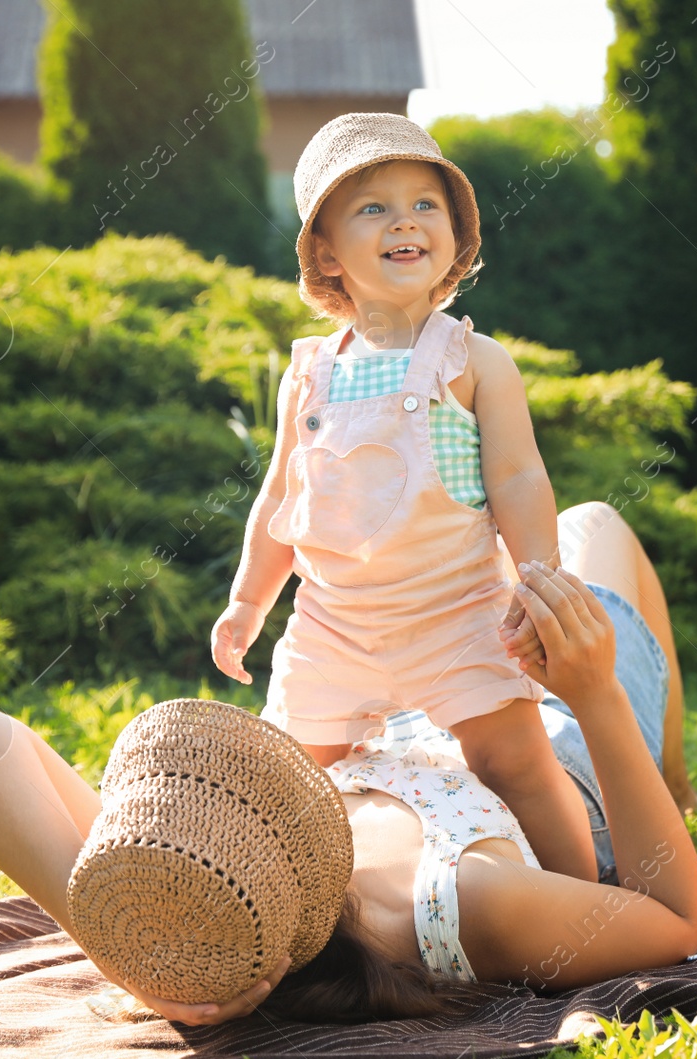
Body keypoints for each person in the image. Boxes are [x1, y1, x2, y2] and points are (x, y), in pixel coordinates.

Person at [0, 503, 697, 1026]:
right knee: (598, 527)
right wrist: (598, 693)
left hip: (437, 708)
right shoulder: (466, 898)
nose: (218, 787)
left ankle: (671, 769)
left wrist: (136, 960)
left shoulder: (199, 883)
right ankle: (669, 776)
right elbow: (679, 918)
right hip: (569, 744)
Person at [208, 111, 586, 879]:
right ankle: (294, 910)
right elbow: (281, 494)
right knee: (294, 778)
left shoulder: (474, 360)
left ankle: (583, 902)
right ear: (325, 249)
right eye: (373, 207)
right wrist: (248, 605)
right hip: (332, 625)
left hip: (455, 614)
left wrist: (541, 580)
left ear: (454, 235)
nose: (404, 220)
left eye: (425, 204)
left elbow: (519, 480)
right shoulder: (310, 372)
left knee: (514, 760)